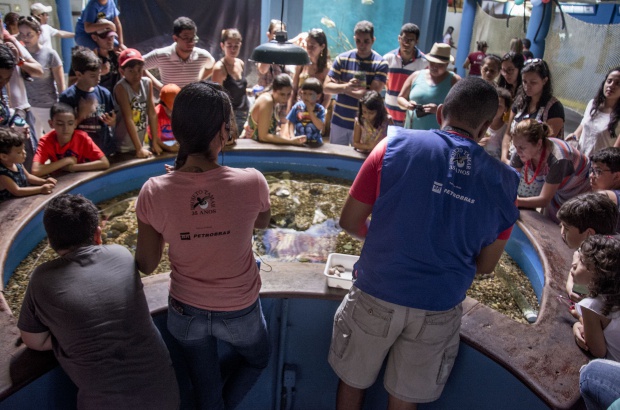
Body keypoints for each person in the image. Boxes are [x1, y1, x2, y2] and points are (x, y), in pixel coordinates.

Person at [329, 77, 519, 410]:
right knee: (405, 399)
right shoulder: (504, 184)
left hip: (376, 292)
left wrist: (385, 237)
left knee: (353, 381)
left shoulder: (392, 146)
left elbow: (349, 221)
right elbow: (486, 266)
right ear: (487, 126)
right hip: (439, 306)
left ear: (442, 111)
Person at [135, 81, 271, 409]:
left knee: (205, 389)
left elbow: (147, 264)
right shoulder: (252, 181)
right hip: (240, 310)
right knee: (257, 360)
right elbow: (261, 224)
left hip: (185, 313)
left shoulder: (153, 191)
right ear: (223, 131)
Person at [18, 193, 179, 409]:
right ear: (98, 234)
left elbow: (34, 341)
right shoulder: (121, 255)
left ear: (50, 241)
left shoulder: (42, 278)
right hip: (166, 395)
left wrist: (70, 336)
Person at [510, 119, 590, 223]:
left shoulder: (558, 159)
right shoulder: (520, 152)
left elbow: (544, 200)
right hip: (555, 185)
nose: (518, 151)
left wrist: (514, 202)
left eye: (522, 148)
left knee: (563, 222)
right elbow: (510, 181)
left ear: (539, 144)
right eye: (515, 146)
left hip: (576, 189)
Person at [323, 20, 388, 146]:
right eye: (358, 41)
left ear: (373, 40)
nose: (361, 45)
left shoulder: (380, 63)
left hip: (365, 124)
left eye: (366, 41)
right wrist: (347, 86)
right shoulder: (342, 59)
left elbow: (371, 96)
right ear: (354, 39)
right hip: (339, 121)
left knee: (357, 161)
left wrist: (342, 88)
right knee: (336, 159)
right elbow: (326, 87)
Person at [556, 193, 618, 302]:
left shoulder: (606, 266)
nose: (562, 231)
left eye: (566, 228)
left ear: (589, 234)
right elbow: (574, 269)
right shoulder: (589, 250)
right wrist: (570, 286)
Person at [502, 58, 565, 164]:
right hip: (512, 160)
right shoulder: (519, 101)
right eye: (524, 82)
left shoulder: (554, 108)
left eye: (533, 82)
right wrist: (504, 158)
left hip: (537, 166)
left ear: (545, 81)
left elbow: (545, 144)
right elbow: (508, 134)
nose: (527, 86)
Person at [59, 46, 116, 156]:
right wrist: (81, 115)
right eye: (93, 76)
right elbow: (63, 131)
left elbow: (112, 121)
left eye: (99, 74)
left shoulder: (104, 94)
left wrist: (111, 121)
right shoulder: (67, 97)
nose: (98, 78)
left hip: (103, 150)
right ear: (79, 74)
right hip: (80, 153)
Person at [571, 235, 620, 361]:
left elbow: (598, 351)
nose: (574, 263)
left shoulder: (591, 306)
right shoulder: (614, 296)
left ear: (599, 273)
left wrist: (577, 325)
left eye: (582, 261)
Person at [114, 48, 168, 158]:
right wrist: (139, 149)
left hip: (142, 143)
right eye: (131, 71)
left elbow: (152, 113)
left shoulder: (147, 83)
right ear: (122, 71)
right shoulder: (121, 88)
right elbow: (128, 118)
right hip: (124, 146)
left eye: (139, 69)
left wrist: (155, 142)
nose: (136, 74)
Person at [18, 15, 65, 138]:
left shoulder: (50, 54)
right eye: (22, 34)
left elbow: (60, 84)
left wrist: (62, 105)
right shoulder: (19, 53)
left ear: (38, 33)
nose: (25, 38)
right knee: (35, 144)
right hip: (28, 107)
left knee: (53, 141)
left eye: (29, 34)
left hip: (48, 106)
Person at [31, 102, 109, 176]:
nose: (66, 128)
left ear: (75, 124)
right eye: (60, 124)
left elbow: (104, 163)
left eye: (70, 123)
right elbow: (35, 170)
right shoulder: (46, 141)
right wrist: (66, 161)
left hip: (79, 175)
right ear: (51, 124)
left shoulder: (82, 138)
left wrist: (72, 167)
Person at [397, 42, 461, 130]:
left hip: (439, 137)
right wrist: (407, 105)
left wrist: (439, 111)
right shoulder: (416, 76)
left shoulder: (455, 81)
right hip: (412, 133)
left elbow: (462, 111)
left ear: (447, 64)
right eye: (432, 63)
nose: (435, 67)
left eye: (440, 65)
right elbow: (400, 98)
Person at [143, 16, 215, 90]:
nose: (190, 42)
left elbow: (212, 66)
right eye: (186, 38)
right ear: (175, 38)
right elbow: (137, 65)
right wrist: (160, 87)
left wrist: (198, 81)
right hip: (169, 100)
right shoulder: (161, 55)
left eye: (193, 38)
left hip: (192, 99)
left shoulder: (202, 56)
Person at [567, 67, 620, 158]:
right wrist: (573, 137)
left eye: (618, 83)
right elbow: (580, 129)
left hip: (599, 167)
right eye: (609, 81)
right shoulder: (593, 104)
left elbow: (615, 152)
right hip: (579, 161)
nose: (611, 85)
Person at [382, 23, 426, 127]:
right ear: (399, 38)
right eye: (404, 39)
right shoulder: (387, 58)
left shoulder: (424, 63)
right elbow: (384, 82)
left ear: (416, 41)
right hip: (388, 115)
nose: (406, 43)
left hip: (410, 118)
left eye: (410, 40)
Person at [245, 73, 306, 145]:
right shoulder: (267, 101)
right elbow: (263, 136)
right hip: (253, 150)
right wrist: (290, 141)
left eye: (289, 94)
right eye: (282, 94)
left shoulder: (275, 102)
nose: (285, 98)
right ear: (274, 90)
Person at [212, 28, 250, 138]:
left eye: (236, 46)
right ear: (222, 45)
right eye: (229, 45)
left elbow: (241, 89)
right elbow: (216, 98)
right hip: (231, 115)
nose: (233, 49)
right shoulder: (219, 68)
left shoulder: (240, 63)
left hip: (245, 111)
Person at [0, 127, 55, 201]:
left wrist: (44, 181)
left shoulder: (17, 164)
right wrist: (41, 189)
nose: (24, 153)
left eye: (24, 149)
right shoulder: (2, 174)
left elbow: (28, 177)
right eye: (19, 152)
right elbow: (17, 191)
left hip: (21, 201)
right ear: (4, 156)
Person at [291, 28, 332, 119]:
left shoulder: (326, 69)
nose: (309, 49)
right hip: (299, 111)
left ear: (322, 47)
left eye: (313, 46)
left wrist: (317, 115)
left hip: (315, 113)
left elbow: (327, 98)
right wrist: (290, 111)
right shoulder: (301, 63)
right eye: (307, 45)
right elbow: (293, 90)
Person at [68, 25, 120, 95]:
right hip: (92, 100)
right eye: (104, 36)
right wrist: (95, 73)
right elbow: (71, 84)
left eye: (112, 36)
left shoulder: (117, 54)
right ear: (94, 37)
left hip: (113, 101)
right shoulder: (83, 58)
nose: (110, 40)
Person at [286, 77, 325, 146]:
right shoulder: (298, 106)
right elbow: (291, 122)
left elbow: (320, 126)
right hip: (299, 142)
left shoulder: (320, 109)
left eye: (310, 94)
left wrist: (311, 112)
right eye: (304, 93)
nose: (306, 96)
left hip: (315, 143)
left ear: (318, 96)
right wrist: (292, 137)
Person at [589, 147, 620, 231]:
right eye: (592, 170)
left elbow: (570, 219)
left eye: (598, 171)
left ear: (616, 176)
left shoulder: (608, 196)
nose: (591, 176)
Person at [479, 87, 512, 160]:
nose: (495, 108)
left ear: (505, 109)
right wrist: (478, 144)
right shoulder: (480, 126)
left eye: (499, 106)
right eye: (493, 104)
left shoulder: (506, 131)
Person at [146, 83, 180, 149]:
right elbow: (155, 140)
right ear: (162, 104)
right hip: (160, 142)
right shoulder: (156, 115)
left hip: (176, 142)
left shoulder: (183, 112)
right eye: (170, 109)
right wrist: (169, 148)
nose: (173, 112)